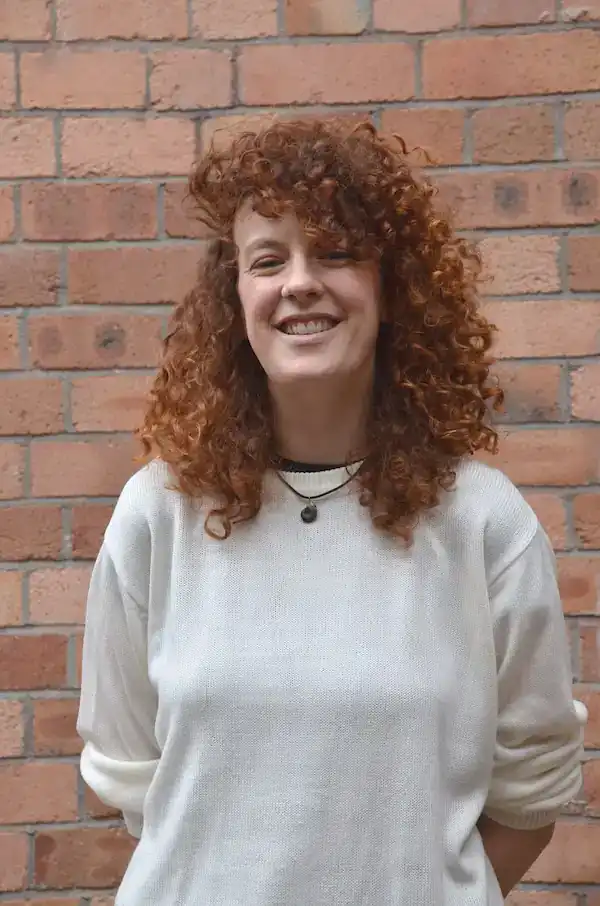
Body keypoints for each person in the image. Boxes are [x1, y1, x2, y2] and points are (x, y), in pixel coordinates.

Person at [77, 118, 586, 906]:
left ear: (393, 290)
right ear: (235, 300)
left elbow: (531, 789)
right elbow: (135, 779)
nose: (300, 282)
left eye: (337, 253)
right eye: (267, 260)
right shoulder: (158, 514)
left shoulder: (485, 524)